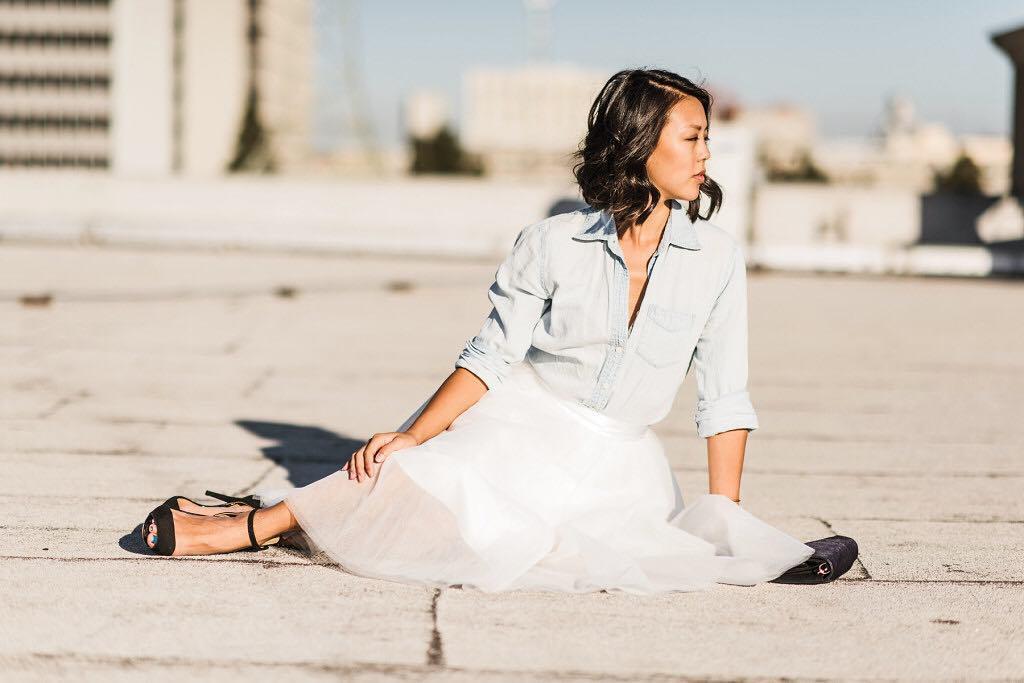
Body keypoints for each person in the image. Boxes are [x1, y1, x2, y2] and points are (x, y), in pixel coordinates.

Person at [139, 68, 815, 594]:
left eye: (706, 138)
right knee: (412, 479)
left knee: (495, 549)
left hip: (623, 469)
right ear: (640, 142)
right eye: (692, 137)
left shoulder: (717, 259)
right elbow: (491, 356)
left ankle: (275, 516)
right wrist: (413, 437)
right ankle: (250, 525)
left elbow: (724, 398)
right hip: (524, 424)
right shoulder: (551, 242)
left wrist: (725, 516)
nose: (705, 153)